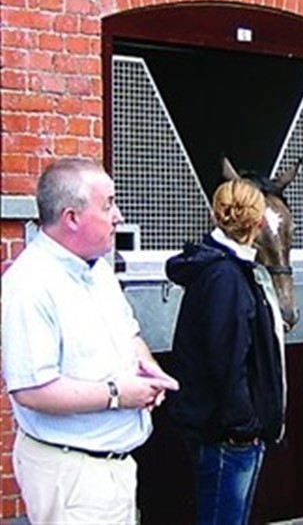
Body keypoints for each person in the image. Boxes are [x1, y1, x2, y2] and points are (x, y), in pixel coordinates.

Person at [1, 158, 179, 524]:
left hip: (111, 468)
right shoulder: (30, 285)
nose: (118, 216)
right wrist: (118, 394)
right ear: (71, 217)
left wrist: (148, 369)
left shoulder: (97, 270)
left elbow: (128, 332)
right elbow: (31, 391)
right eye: (108, 204)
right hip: (73, 474)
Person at [165, 177, 287, 525]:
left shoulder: (230, 270)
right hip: (228, 436)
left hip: (224, 430)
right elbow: (227, 360)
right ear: (259, 223)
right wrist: (244, 427)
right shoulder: (226, 277)